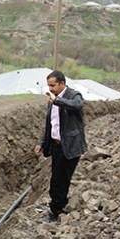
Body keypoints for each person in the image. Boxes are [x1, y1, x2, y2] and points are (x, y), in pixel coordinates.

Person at [34, 70, 88, 222]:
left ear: (62, 83)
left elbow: (77, 105)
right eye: (48, 85)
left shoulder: (73, 95)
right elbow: (51, 125)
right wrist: (42, 143)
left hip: (70, 146)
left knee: (59, 180)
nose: (50, 89)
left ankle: (55, 213)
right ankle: (59, 206)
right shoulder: (52, 101)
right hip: (57, 146)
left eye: (53, 85)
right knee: (57, 179)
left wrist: (57, 100)